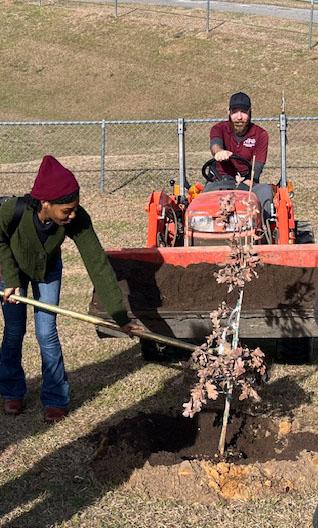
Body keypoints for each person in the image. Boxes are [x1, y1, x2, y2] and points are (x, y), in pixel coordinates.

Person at [0, 155, 141, 423]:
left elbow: (97, 263)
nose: (72, 214)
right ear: (45, 203)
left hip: (47, 271)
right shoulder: (12, 210)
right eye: (66, 210)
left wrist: (119, 315)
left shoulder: (77, 219)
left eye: (75, 208)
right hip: (11, 273)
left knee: (47, 333)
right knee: (14, 330)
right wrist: (10, 277)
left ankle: (55, 398)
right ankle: (11, 390)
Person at [208, 91, 273, 219]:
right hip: (219, 181)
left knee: (265, 191)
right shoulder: (219, 129)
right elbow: (215, 144)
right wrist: (219, 152)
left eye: (243, 112)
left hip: (247, 182)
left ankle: (265, 232)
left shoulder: (260, 134)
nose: (239, 117)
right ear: (229, 112)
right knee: (202, 201)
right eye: (235, 112)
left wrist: (250, 180)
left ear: (250, 112)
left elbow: (258, 164)